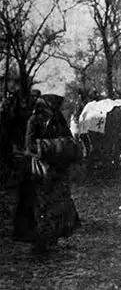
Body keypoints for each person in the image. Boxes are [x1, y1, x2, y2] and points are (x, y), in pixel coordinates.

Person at [13, 94, 80, 253]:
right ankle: (39, 238)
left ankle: (53, 236)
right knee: (39, 205)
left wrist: (61, 148)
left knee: (56, 204)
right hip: (39, 170)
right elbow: (29, 146)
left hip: (56, 168)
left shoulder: (58, 120)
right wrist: (52, 147)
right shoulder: (34, 121)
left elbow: (68, 139)